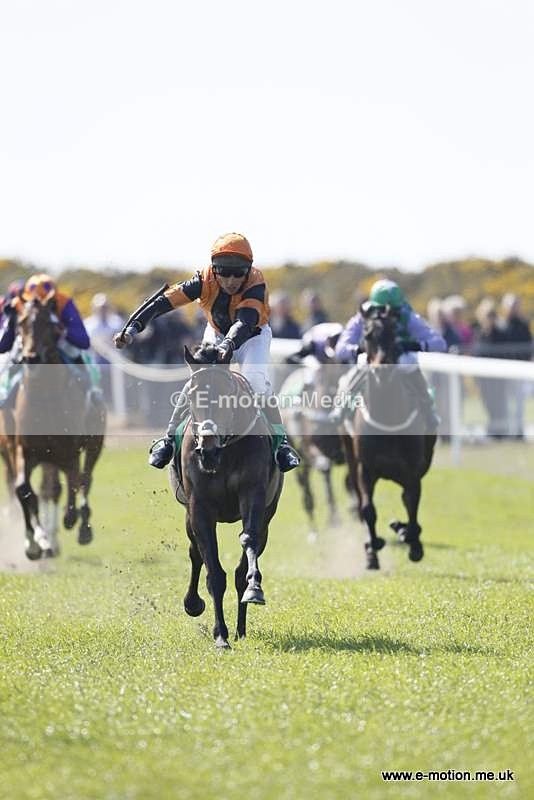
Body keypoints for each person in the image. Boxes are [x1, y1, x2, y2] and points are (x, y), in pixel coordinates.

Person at [114, 232, 300, 472]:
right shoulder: (203, 280)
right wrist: (133, 327)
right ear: (214, 268)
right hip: (217, 332)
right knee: (199, 380)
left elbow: (244, 323)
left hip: (252, 336)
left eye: (238, 273)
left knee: (256, 381)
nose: (231, 280)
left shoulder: (256, 283)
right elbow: (163, 302)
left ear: (249, 270)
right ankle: (169, 439)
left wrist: (228, 345)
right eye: (224, 272)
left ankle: (280, 444)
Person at [334, 279, 447, 431]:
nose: (387, 314)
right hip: (373, 357)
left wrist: (413, 345)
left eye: (393, 310)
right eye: (382, 309)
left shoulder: (408, 316)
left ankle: (428, 410)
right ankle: (342, 408)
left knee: (409, 363)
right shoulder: (363, 317)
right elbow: (340, 349)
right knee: (361, 364)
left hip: (399, 357)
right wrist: (359, 349)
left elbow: (439, 343)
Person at [0, 273, 97, 410]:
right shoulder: (17, 305)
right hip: (27, 347)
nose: (39, 304)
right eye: (34, 301)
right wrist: (12, 322)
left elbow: (84, 341)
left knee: (74, 355)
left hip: (57, 344)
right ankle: (6, 397)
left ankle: (91, 394)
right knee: (13, 361)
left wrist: (64, 332)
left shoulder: (64, 303)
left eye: (44, 301)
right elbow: (3, 346)